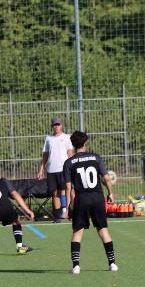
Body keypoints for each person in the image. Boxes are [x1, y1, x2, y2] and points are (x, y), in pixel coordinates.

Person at [63, 131, 118, 275]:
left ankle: (76, 266)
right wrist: (111, 193)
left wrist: (67, 206)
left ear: (73, 145)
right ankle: (112, 263)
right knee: (103, 230)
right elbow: (106, 178)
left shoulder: (69, 163)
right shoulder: (96, 157)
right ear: (85, 142)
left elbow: (68, 187)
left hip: (82, 199)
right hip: (98, 197)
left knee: (77, 232)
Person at [37, 117, 73, 221]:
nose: (56, 126)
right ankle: (57, 216)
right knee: (54, 193)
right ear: (52, 126)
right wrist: (41, 169)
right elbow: (45, 155)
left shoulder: (67, 137)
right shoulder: (48, 138)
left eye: (58, 124)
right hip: (51, 170)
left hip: (63, 169)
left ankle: (68, 212)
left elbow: (70, 154)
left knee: (67, 190)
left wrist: (72, 168)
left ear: (61, 125)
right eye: (55, 125)